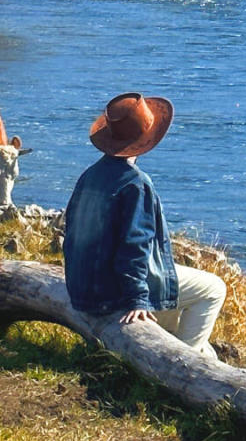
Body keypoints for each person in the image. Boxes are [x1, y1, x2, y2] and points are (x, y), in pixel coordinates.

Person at [63, 91, 226, 357]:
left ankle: (194, 352)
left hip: (83, 289)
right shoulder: (135, 183)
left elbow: (71, 233)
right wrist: (137, 298)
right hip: (113, 292)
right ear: (146, 140)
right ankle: (184, 362)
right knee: (214, 288)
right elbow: (134, 245)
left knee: (175, 295)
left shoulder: (89, 175)